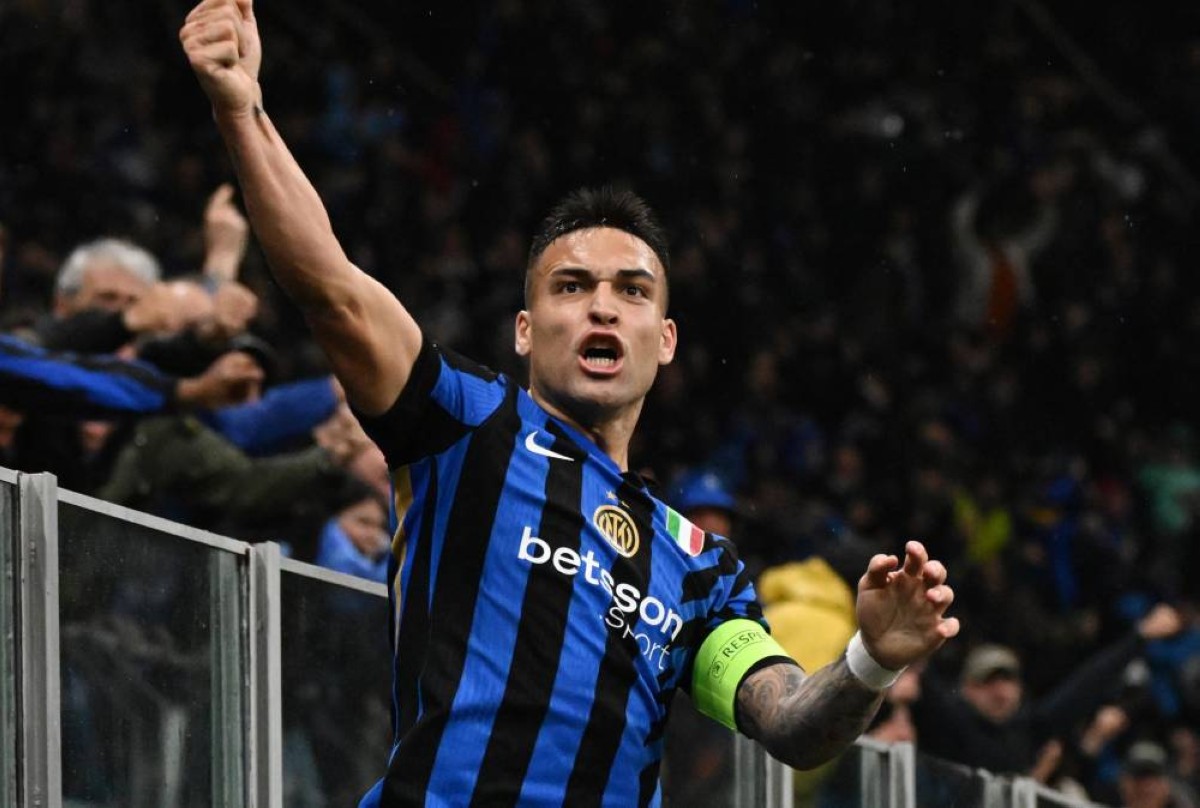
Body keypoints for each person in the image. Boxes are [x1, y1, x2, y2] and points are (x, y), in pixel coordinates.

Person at [179, 2, 960, 805]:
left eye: (633, 291)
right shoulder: (466, 424)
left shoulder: (701, 568)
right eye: (572, 286)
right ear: (524, 329)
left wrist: (872, 659)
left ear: (665, 340)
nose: (603, 307)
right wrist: (243, 109)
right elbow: (333, 291)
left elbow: (790, 725)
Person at [912, 604, 1184, 778]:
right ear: (967, 689)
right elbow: (922, 679)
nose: (1001, 692)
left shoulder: (1029, 729)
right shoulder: (950, 725)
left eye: (1008, 681)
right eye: (988, 682)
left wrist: (1139, 637)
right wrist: (913, 650)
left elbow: (1082, 688)